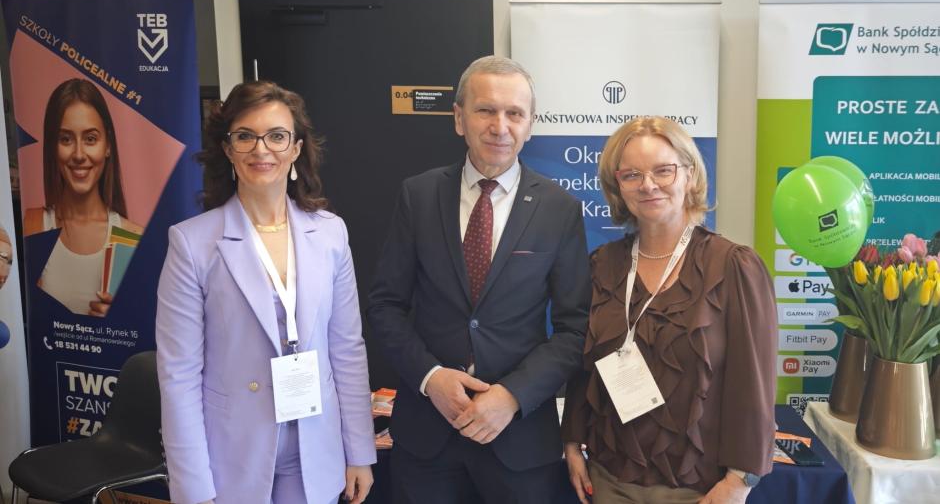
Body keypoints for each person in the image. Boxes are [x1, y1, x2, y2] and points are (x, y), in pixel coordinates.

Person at [367, 56, 591, 504]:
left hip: (519, 440)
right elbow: (385, 305)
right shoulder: (419, 195)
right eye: (486, 110)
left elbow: (575, 327)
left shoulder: (559, 209)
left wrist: (513, 395)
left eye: (514, 113)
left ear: (530, 124)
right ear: (459, 118)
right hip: (427, 437)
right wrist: (430, 377)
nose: (499, 126)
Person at [156, 81, 375, 504]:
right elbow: (179, 375)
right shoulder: (192, 243)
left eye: (276, 136)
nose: (262, 150)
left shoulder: (330, 233)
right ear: (228, 149)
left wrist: (359, 452)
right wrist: (193, 489)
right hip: (231, 453)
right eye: (246, 136)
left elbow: (347, 349)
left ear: (295, 149)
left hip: (315, 447)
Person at [561, 117, 777, 504]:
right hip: (609, 478)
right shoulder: (602, 266)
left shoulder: (733, 267)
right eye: (632, 175)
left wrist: (740, 480)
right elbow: (584, 361)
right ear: (617, 185)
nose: (648, 185)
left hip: (700, 488)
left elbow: (754, 384)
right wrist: (572, 440)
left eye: (663, 170)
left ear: (690, 175)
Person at [23, 78, 142, 316]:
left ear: (107, 145)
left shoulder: (133, 237)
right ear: (52, 146)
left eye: (90, 139)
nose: (78, 154)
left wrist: (121, 318)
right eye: (66, 139)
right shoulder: (30, 227)